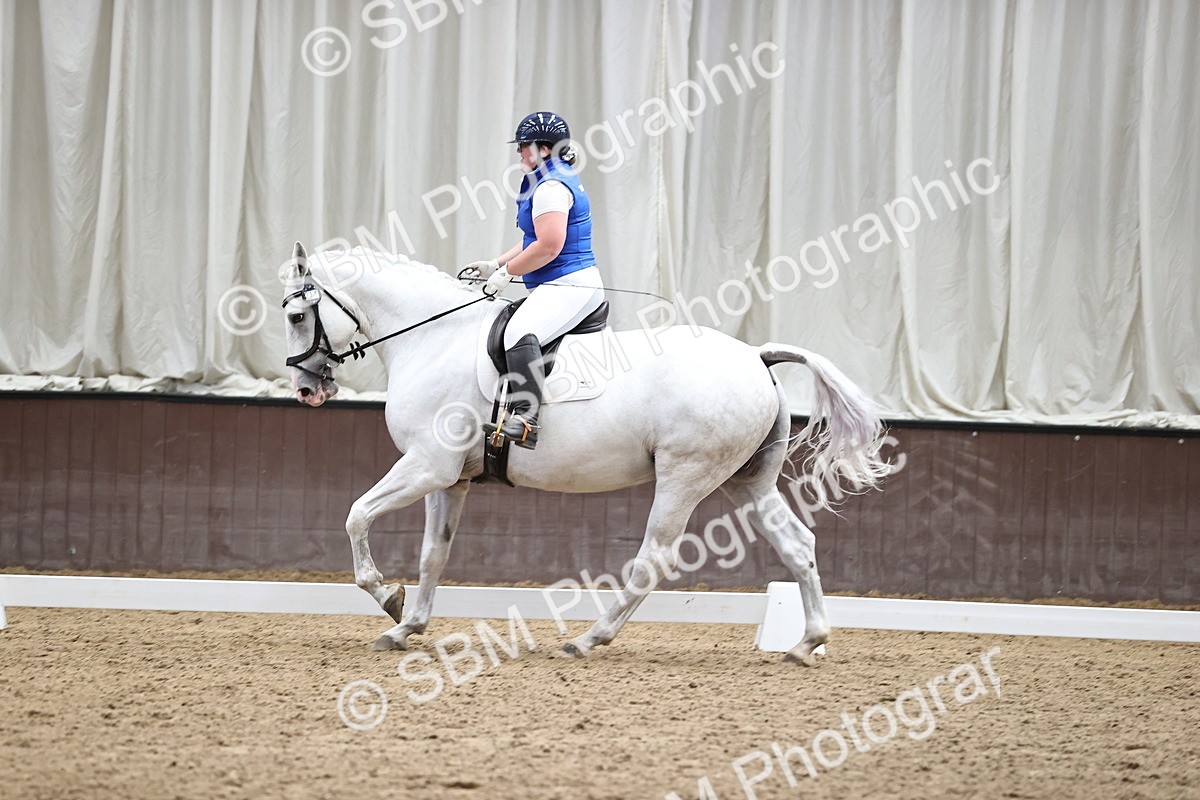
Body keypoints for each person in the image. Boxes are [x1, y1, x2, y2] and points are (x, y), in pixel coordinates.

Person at [461, 112, 605, 450]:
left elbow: (549, 246)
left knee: (517, 332)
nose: (519, 153)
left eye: (523, 146)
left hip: (571, 284)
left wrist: (507, 274)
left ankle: (526, 419)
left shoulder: (551, 187)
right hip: (560, 283)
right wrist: (495, 263)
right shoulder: (547, 179)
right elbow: (532, 239)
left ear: (543, 148)